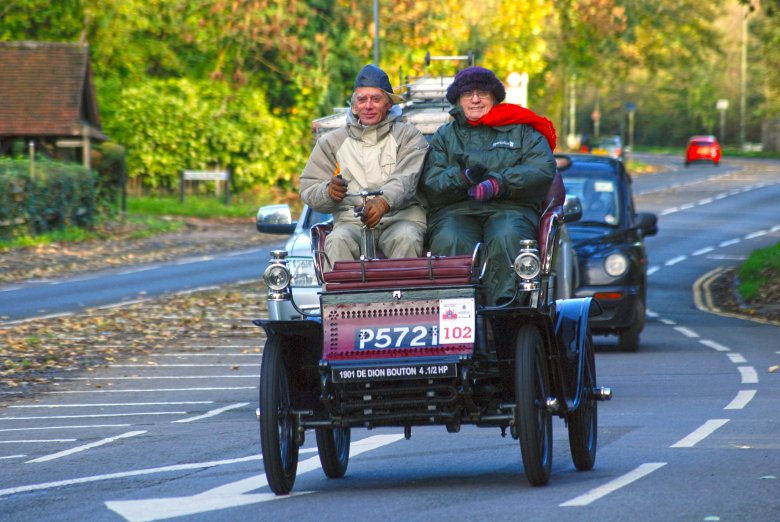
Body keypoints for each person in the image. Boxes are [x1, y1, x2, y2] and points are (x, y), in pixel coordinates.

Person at [420, 66, 558, 305]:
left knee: (508, 234)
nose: (475, 99)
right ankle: (455, 305)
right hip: (456, 210)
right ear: (458, 100)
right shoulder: (444, 136)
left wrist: (499, 183)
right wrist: (461, 178)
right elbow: (430, 181)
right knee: (450, 237)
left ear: (494, 97)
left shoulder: (522, 129)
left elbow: (542, 169)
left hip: (510, 208)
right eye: (467, 94)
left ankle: (505, 308)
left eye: (482, 93)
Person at [300, 64, 429, 270]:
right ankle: (341, 303)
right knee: (336, 242)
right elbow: (308, 187)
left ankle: (402, 302)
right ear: (354, 104)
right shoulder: (331, 142)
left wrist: (384, 202)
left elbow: (406, 179)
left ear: (388, 104)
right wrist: (328, 192)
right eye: (362, 99)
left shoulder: (409, 136)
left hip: (401, 218)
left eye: (376, 99)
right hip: (351, 222)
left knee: (407, 238)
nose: (368, 105)